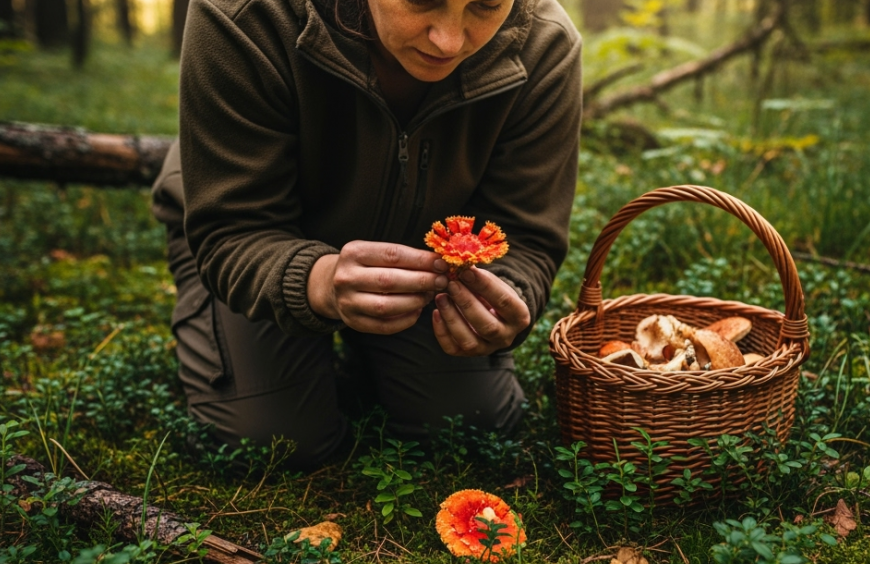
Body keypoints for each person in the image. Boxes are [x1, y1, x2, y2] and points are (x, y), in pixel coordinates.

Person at [150, 0, 582, 468]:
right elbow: (234, 226)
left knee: (468, 427)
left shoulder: (543, 44)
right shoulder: (245, 16)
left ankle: (375, 350)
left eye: (486, 5)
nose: (450, 40)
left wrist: (505, 293)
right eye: (423, 1)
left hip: (432, 271)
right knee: (273, 440)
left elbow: (525, 235)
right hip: (266, 236)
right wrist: (317, 283)